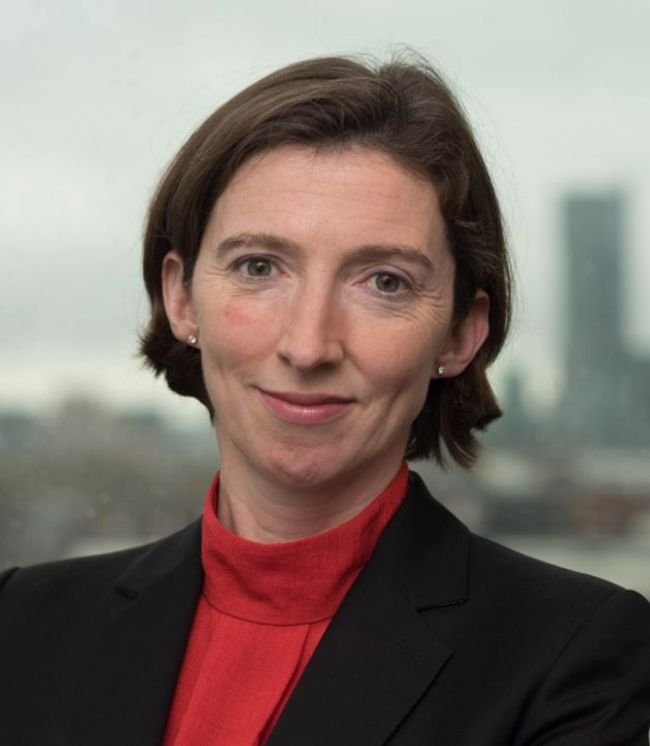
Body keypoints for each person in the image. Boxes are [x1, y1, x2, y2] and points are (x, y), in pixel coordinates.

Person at [1, 54, 649, 746]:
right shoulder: (18, 624)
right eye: (259, 267)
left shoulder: (574, 658)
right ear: (181, 298)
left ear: (461, 333)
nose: (309, 346)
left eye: (385, 282)